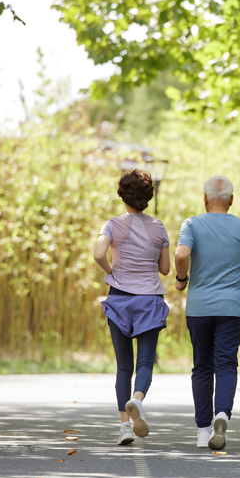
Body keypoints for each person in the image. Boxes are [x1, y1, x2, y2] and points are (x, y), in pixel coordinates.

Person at [174, 175, 240, 450]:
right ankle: (221, 414)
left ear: (205, 199)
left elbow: (180, 255)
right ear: (231, 201)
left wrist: (181, 279)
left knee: (202, 367)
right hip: (231, 308)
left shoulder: (192, 224)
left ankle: (203, 431)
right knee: (226, 364)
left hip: (200, 307)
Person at [93, 170, 171, 445]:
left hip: (120, 298)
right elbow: (164, 269)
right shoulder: (158, 227)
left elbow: (98, 253)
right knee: (145, 361)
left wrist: (110, 270)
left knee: (123, 366)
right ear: (148, 197)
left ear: (122, 195)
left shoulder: (112, 225)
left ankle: (125, 428)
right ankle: (136, 399)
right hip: (149, 298)